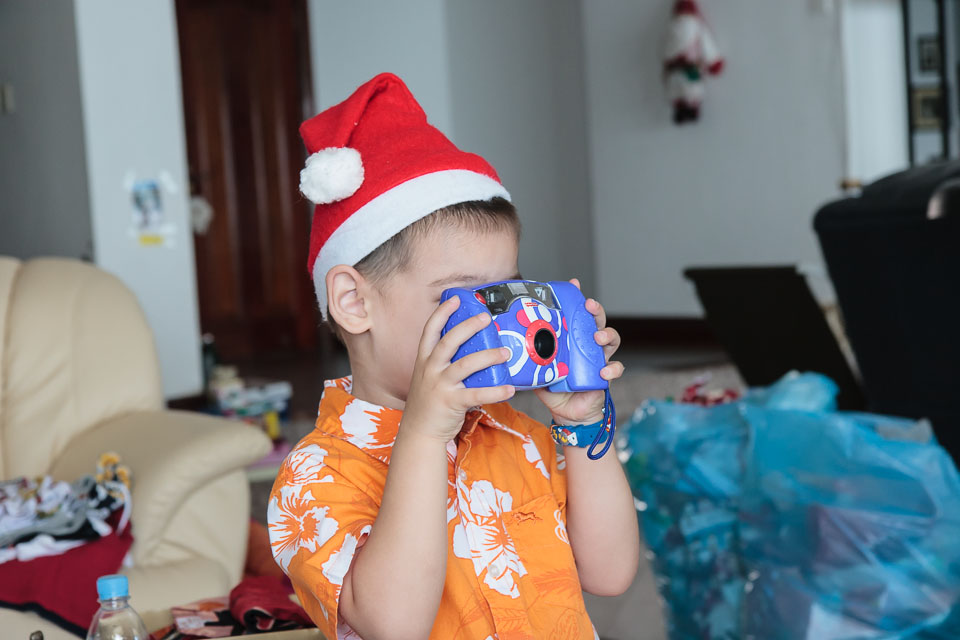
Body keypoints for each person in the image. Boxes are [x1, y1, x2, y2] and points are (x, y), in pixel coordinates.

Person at [267, 73, 639, 639]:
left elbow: (610, 573)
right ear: (354, 302)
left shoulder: (517, 437)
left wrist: (584, 423)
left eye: (505, 295)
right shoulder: (315, 475)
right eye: (463, 299)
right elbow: (394, 625)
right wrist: (423, 434)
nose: (499, 324)